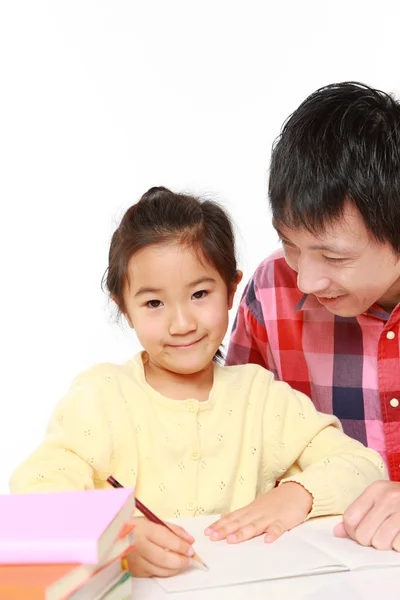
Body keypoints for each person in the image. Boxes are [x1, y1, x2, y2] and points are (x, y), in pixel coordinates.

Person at [10, 186, 386, 577]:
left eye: (200, 294)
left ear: (231, 290)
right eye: (154, 303)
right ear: (124, 307)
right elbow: (33, 502)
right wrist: (116, 540)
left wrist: (298, 494)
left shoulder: (262, 397)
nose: (182, 324)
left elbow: (364, 466)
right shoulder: (101, 397)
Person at [226, 82, 400, 551]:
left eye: (333, 257)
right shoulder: (270, 289)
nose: (305, 281)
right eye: (291, 243)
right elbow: (238, 441)